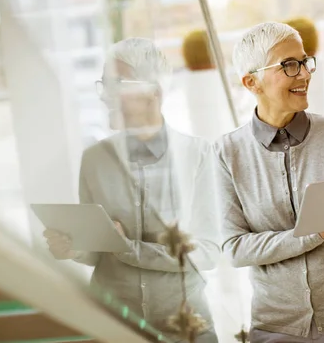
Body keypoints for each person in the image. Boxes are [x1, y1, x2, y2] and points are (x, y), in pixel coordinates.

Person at [213, 22, 324, 342]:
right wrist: (304, 236)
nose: (305, 74)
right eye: (289, 66)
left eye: (305, 62)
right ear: (251, 81)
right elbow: (235, 248)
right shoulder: (227, 153)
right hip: (276, 324)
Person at [44, 38, 220, 343]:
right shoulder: (94, 159)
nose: (105, 96)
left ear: (154, 91)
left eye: (117, 84)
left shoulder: (198, 155)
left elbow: (207, 253)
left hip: (186, 328)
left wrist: (130, 249)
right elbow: (97, 252)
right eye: (104, 84)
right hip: (112, 325)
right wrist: (74, 248)